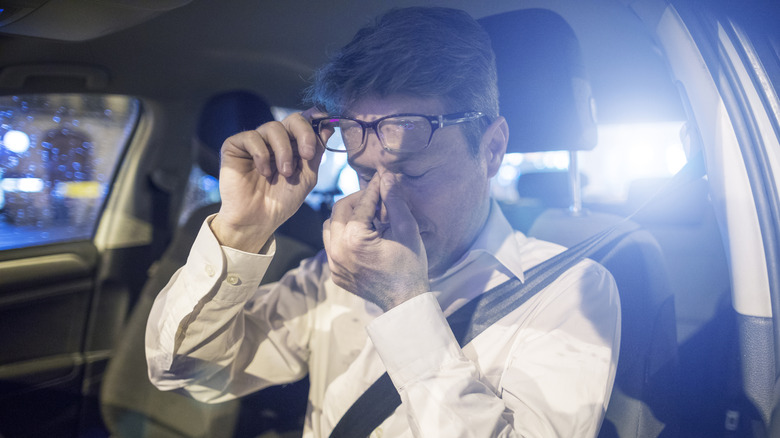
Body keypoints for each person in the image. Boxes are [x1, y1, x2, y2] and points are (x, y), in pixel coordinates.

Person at [146, 7, 620, 437]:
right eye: (365, 173)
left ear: (492, 150)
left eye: (413, 172)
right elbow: (184, 372)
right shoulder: (330, 274)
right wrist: (242, 231)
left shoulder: (572, 293)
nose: (380, 201)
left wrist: (402, 304)